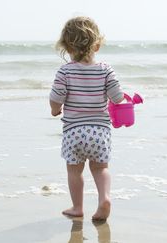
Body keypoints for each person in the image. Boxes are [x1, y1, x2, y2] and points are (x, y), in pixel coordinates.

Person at [49, 16, 124, 221]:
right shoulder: (106, 70)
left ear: (67, 46)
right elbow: (117, 98)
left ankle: (77, 207)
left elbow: (56, 98)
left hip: (74, 132)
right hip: (100, 132)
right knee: (100, 168)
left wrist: (55, 110)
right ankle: (105, 198)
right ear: (97, 45)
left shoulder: (65, 71)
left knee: (74, 171)